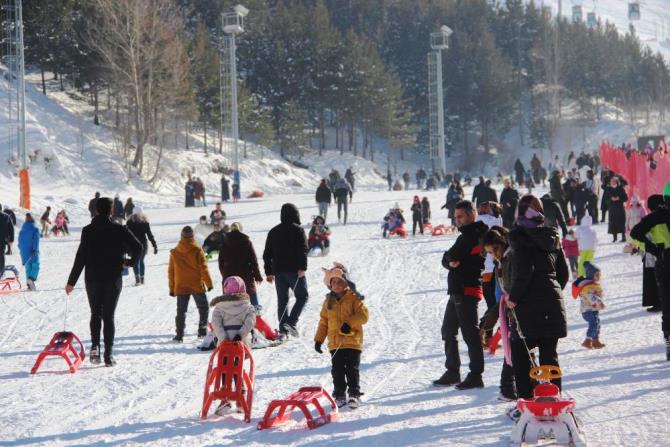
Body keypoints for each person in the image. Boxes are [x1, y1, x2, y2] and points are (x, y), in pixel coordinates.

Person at [65, 197, 143, 366]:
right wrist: (130, 262)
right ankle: (108, 355)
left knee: (95, 314)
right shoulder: (120, 229)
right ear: (112, 211)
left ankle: (95, 349)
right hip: (112, 279)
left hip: (92, 278)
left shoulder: (87, 230)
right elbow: (139, 247)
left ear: (97, 210)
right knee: (108, 316)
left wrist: (71, 282)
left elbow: (81, 257)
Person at [506, 194, 569, 399]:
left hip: (526, 307)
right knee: (549, 355)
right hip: (552, 303)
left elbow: (525, 272)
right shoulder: (551, 236)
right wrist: (551, 290)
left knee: (521, 355)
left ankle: (526, 401)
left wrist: (513, 298)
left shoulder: (519, 237)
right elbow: (563, 274)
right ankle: (554, 398)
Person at [434, 200, 487, 390]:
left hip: (468, 289)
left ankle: (475, 375)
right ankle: (453, 371)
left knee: (470, 334)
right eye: (455, 217)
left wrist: (450, 259)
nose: (457, 221)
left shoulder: (476, 234)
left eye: (460, 216)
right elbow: (448, 257)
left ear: (472, 214)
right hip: (457, 290)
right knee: (448, 331)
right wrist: (449, 260)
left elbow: (453, 255)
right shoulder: (465, 235)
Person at [314, 267, 369, 408]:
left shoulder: (354, 298)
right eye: (334, 282)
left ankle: (354, 394)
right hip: (335, 343)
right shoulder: (328, 302)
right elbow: (323, 322)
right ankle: (339, 395)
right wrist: (319, 339)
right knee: (337, 370)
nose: (336, 285)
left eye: (340, 282)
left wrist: (349, 323)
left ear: (346, 283)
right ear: (330, 285)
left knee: (352, 369)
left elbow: (364, 316)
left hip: (352, 341)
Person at [630, 183, 670, 360]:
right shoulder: (657, 216)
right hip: (664, 260)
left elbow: (635, 232)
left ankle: (669, 341)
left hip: (664, 260)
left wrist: (654, 248)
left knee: (667, 302)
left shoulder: (655, 217)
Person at [209, 275, 257, 415]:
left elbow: (216, 323)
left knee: (224, 369)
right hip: (240, 345)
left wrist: (223, 337)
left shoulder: (219, 307)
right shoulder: (247, 306)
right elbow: (251, 321)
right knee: (237, 368)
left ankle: (225, 398)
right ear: (243, 289)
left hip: (225, 346)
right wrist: (240, 335)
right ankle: (240, 397)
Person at [480, 226, 517, 401]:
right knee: (513, 350)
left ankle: (509, 389)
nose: (493, 254)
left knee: (518, 351)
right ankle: (508, 390)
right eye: (490, 252)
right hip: (510, 312)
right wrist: (486, 325)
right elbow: (502, 295)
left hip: (520, 312)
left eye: (495, 249)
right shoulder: (500, 263)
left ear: (502, 243)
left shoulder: (513, 257)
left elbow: (514, 289)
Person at [263, 203, 309, 338]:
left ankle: (283, 329)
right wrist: (302, 267)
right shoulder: (298, 230)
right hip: (295, 271)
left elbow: (267, 254)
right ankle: (291, 322)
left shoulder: (273, 231)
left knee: (282, 300)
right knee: (302, 296)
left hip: (279, 272)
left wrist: (269, 272)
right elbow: (303, 250)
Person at [168, 225, 213, 342]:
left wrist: (172, 288)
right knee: (203, 308)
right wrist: (209, 284)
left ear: (181, 236)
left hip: (181, 285)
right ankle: (202, 332)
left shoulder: (175, 252)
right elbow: (204, 268)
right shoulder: (197, 250)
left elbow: (171, 272)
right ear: (193, 236)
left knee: (181, 311)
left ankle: (179, 335)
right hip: (196, 285)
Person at [218, 222, 263, 310]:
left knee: (228, 296)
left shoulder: (225, 242)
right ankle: (256, 312)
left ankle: (228, 315)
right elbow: (253, 260)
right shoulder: (246, 241)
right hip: (245, 274)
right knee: (251, 292)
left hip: (229, 275)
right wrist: (257, 276)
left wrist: (224, 274)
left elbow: (221, 262)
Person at [573, 262, 605, 349]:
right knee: (594, 324)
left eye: (599, 275)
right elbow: (591, 297)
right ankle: (587, 341)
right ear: (591, 275)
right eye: (597, 275)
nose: (599, 277)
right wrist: (600, 302)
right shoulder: (587, 287)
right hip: (587, 310)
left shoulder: (593, 285)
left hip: (593, 309)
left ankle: (595, 341)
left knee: (597, 324)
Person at [125, 206, 158, 286]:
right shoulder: (145, 222)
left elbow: (125, 235)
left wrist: (124, 247)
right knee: (141, 261)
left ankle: (138, 280)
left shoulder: (129, 222)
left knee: (135, 261)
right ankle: (142, 279)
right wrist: (154, 245)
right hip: (143, 244)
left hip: (133, 245)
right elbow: (149, 235)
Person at [18, 213, 40, 291]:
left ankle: (29, 285)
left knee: (28, 268)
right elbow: (36, 240)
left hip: (24, 252)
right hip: (33, 251)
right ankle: (31, 279)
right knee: (35, 266)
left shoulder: (22, 230)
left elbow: (19, 241)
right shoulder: (35, 229)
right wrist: (35, 249)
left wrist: (21, 249)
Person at [604, 177, 628, 242]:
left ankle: (623, 237)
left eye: (614, 181)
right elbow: (605, 199)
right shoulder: (608, 189)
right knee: (613, 223)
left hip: (620, 208)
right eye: (612, 181)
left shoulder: (621, 189)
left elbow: (626, 198)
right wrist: (611, 199)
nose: (613, 182)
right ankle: (615, 238)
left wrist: (619, 198)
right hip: (612, 209)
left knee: (622, 222)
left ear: (617, 182)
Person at [0, 205, 13, 273]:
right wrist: (11, 239)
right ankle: (1, 271)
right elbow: (11, 229)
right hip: (2, 240)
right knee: (1, 255)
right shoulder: (6, 216)